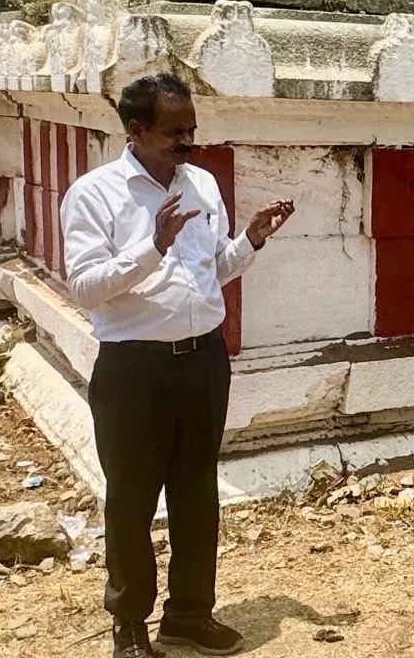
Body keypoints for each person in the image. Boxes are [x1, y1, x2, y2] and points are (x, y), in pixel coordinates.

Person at [62, 73, 295, 658]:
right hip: (134, 369)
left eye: (192, 128)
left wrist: (250, 242)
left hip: (203, 361)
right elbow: (86, 287)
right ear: (136, 131)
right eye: (174, 132)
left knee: (196, 493)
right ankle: (130, 624)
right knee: (132, 499)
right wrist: (153, 247)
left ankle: (190, 615)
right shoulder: (95, 194)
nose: (188, 141)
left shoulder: (203, 185)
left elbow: (208, 272)